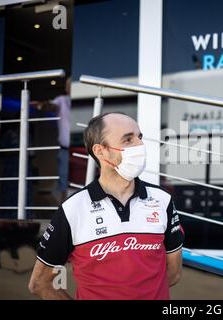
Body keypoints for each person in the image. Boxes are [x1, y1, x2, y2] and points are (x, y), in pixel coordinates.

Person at [28, 112, 184, 300]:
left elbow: (173, 272)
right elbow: (40, 283)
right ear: (100, 151)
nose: (140, 145)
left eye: (139, 137)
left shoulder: (162, 200)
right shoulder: (73, 209)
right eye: (128, 139)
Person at [33, 77, 71, 202]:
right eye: (68, 84)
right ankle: (64, 208)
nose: (70, 86)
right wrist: (41, 105)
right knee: (64, 179)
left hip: (84, 146)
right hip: (65, 148)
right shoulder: (62, 100)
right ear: (66, 88)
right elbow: (51, 106)